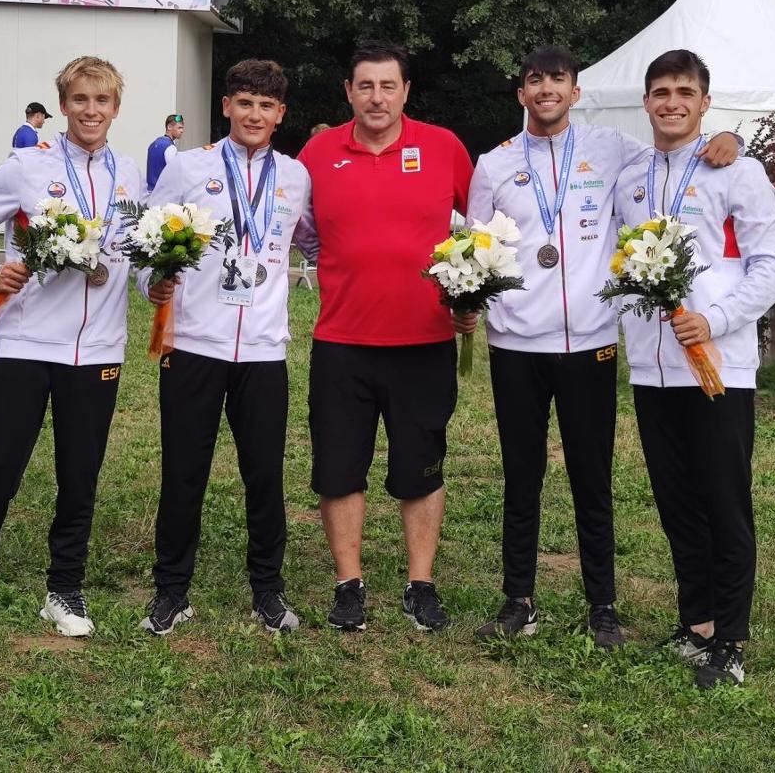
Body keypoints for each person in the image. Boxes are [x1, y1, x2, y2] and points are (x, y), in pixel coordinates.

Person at [466, 46, 741, 647]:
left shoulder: (612, 149)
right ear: (521, 94)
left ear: (575, 91)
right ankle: (518, 599)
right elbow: (474, 246)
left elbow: (678, 153)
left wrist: (729, 138)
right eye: (534, 80)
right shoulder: (494, 163)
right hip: (515, 345)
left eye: (557, 79)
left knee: (593, 479)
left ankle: (603, 608)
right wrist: (471, 305)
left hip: (589, 342)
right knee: (522, 476)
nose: (546, 89)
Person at [0, 56, 142, 638]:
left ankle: (65, 591)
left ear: (115, 108)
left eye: (101, 101)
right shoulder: (27, 165)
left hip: (98, 349)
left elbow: (137, 262)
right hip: (25, 340)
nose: (90, 110)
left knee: (80, 473)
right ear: (63, 106)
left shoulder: (132, 179)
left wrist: (158, 281)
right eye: (79, 100)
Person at [615, 49, 775, 687]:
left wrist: (713, 323)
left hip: (720, 365)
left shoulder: (738, 170)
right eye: (660, 92)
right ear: (646, 102)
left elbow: (773, 267)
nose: (671, 103)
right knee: (675, 502)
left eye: (684, 92)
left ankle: (732, 641)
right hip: (652, 368)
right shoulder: (630, 174)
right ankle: (698, 625)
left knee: (723, 502)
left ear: (705, 102)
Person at [294, 41, 474, 632]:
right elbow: (294, 228)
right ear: (348, 92)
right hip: (342, 341)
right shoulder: (318, 153)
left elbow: (491, 226)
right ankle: (349, 585)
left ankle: (420, 585)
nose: (377, 97)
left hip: (423, 342)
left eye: (388, 86)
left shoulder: (444, 148)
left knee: (421, 467)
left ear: (405, 92)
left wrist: (471, 296)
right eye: (365, 86)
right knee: (340, 468)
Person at [138, 60, 311, 635]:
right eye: (244, 103)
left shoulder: (296, 177)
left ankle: (268, 590)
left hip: (263, 350)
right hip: (194, 343)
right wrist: (150, 283)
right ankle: (171, 590)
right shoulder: (186, 166)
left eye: (266, 106)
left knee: (264, 476)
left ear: (280, 115)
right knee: (183, 472)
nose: (254, 114)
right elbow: (145, 243)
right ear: (226, 107)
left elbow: (313, 239)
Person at [145, 113, 184, 192]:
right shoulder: (170, 147)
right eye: (179, 128)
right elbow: (174, 173)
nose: (182, 131)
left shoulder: (153, 144)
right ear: (169, 127)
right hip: (163, 194)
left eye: (182, 128)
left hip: (150, 192)